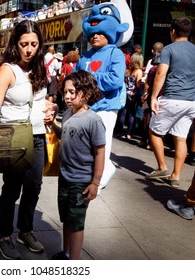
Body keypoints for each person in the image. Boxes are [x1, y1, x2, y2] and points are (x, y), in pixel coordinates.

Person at [0, 20, 56, 260]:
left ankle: (26, 230)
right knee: (12, 189)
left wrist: (49, 108)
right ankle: (5, 237)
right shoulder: (8, 70)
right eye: (24, 44)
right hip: (13, 138)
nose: (29, 49)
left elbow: (40, 99)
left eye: (34, 44)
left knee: (34, 187)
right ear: (16, 44)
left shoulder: (39, 67)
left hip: (36, 136)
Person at [74, 0, 133, 192]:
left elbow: (115, 80)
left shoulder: (115, 54)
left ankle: (101, 177)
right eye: (92, 34)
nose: (95, 37)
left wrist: (88, 80)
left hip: (106, 107)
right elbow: (74, 77)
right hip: (85, 109)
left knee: (101, 145)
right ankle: (91, 176)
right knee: (86, 146)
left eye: (99, 33)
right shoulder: (85, 56)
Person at [48, 70, 105, 260]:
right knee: (66, 218)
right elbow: (63, 134)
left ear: (87, 94)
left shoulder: (93, 121)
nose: (67, 96)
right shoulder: (67, 114)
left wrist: (95, 183)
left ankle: (74, 261)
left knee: (76, 223)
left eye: (73, 92)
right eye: (65, 92)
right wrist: (52, 126)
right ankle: (66, 253)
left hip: (81, 182)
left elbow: (100, 152)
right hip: (65, 176)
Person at [145, 17, 195, 187]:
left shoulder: (168, 49)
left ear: (173, 31)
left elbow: (161, 74)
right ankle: (176, 175)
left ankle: (162, 167)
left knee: (154, 132)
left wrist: (153, 97)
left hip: (173, 98)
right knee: (180, 138)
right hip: (191, 102)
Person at [118, 52, 144, 140]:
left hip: (126, 93)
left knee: (123, 113)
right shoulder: (139, 71)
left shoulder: (127, 70)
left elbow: (125, 82)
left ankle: (120, 131)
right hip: (133, 95)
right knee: (132, 114)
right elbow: (138, 85)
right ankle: (128, 133)